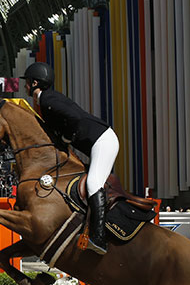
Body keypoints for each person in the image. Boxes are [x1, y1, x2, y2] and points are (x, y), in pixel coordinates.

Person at [21, 61, 118, 254]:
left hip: (103, 140)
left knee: (93, 182)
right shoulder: (45, 100)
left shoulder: (47, 100)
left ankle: (98, 238)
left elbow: (74, 118)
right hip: (97, 141)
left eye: (27, 81)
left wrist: (66, 138)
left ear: (34, 83)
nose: (25, 85)